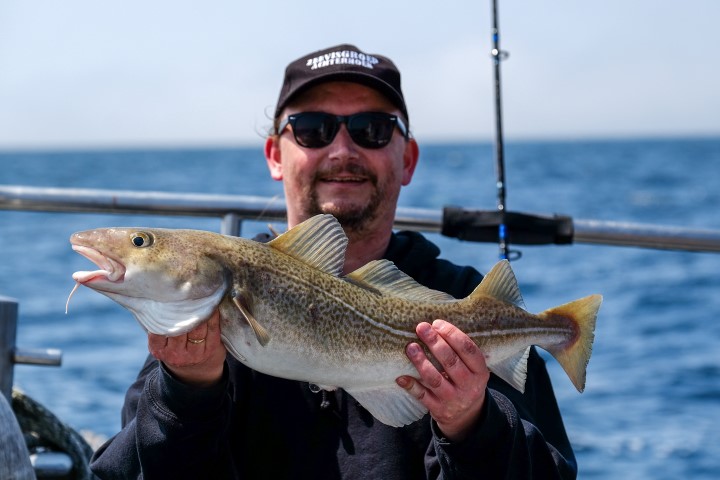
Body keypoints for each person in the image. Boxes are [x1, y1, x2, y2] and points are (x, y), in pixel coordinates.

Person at [90, 44, 577, 479]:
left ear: (407, 159)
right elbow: (126, 471)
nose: (342, 150)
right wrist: (186, 393)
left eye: (372, 129)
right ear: (274, 155)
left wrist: (473, 424)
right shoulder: (209, 303)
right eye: (312, 129)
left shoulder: (468, 307)